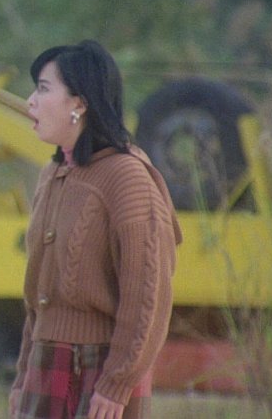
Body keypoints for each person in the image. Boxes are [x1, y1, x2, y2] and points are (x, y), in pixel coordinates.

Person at [9, 40, 182, 419]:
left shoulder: (127, 177)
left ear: (79, 103)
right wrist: (23, 376)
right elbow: (37, 297)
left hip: (101, 369)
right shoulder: (53, 173)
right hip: (46, 362)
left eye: (43, 89)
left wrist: (117, 383)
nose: (30, 102)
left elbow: (147, 294)